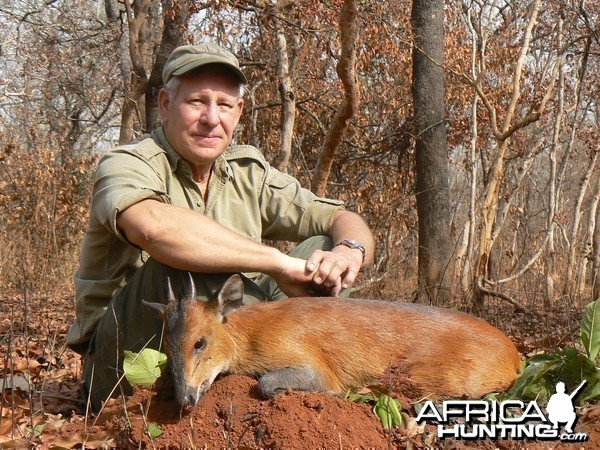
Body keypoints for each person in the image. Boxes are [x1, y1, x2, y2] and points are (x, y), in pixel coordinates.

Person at [66, 42, 375, 411]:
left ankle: (313, 383)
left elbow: (342, 217)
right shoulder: (128, 163)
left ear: (238, 111)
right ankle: (212, 401)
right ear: (165, 104)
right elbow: (153, 229)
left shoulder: (248, 172)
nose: (212, 118)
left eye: (225, 105)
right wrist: (277, 263)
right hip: (124, 358)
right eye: (197, 102)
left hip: (227, 339)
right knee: (184, 274)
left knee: (321, 247)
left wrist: (348, 251)